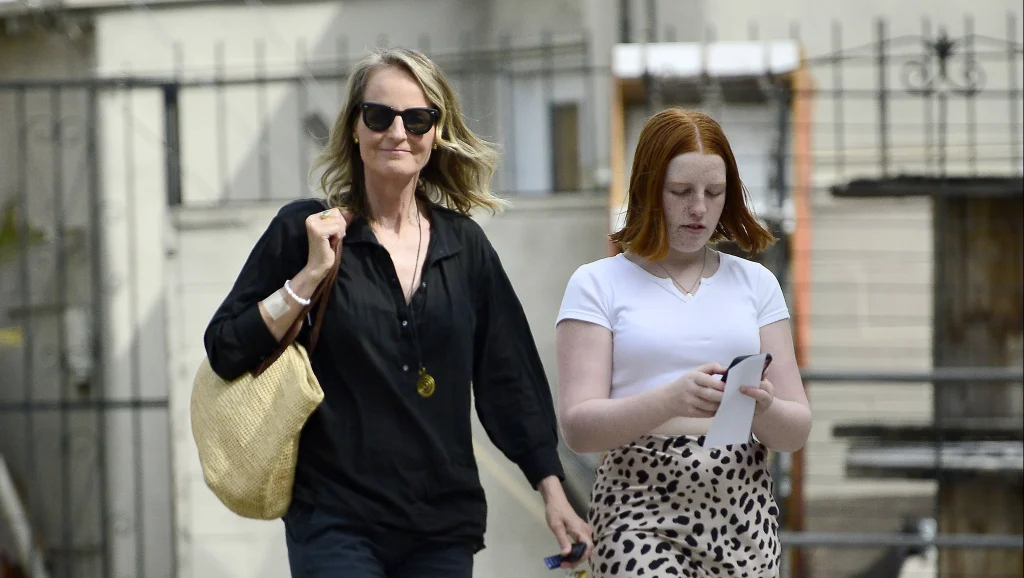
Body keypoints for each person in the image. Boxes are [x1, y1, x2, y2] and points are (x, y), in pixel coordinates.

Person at [203, 47, 592, 578]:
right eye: (380, 115)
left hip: (440, 527)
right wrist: (306, 278)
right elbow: (226, 348)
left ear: (436, 132)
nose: (398, 132)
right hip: (334, 519)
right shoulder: (306, 231)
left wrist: (553, 490)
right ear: (355, 129)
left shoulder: (465, 247)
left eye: (417, 118)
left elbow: (510, 378)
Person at [554, 108, 812, 578]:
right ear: (650, 190)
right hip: (638, 505)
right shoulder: (597, 283)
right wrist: (671, 399)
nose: (699, 208)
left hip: (741, 503)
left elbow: (795, 429)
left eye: (714, 193)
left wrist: (763, 407)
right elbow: (578, 427)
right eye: (681, 192)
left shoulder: (755, 282)